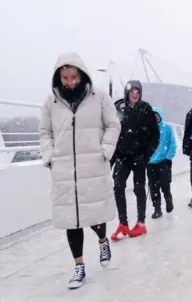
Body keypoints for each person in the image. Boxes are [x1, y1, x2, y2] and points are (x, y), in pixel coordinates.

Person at [39, 52, 121, 289]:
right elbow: (45, 132)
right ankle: (79, 266)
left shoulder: (100, 97)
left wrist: (104, 151)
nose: (70, 82)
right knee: (71, 221)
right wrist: (49, 156)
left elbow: (113, 124)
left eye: (73, 77)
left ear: (82, 75)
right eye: (65, 78)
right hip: (64, 169)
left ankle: (103, 240)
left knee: (95, 216)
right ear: (58, 78)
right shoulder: (51, 102)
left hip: (92, 165)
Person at [110, 80, 159, 240]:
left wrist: (147, 154)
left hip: (140, 157)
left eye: (138, 92)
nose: (135, 95)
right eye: (132, 92)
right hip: (122, 156)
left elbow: (155, 135)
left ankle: (141, 223)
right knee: (118, 187)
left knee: (139, 189)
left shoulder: (146, 109)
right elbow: (111, 133)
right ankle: (122, 223)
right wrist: (112, 158)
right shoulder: (119, 108)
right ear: (127, 93)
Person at [147, 107, 176, 218]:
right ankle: (157, 208)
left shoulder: (167, 128)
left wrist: (168, 157)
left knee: (165, 184)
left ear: (160, 116)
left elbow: (172, 144)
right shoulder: (148, 129)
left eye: (157, 116)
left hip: (163, 161)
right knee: (153, 187)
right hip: (150, 163)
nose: (155, 119)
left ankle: (168, 200)